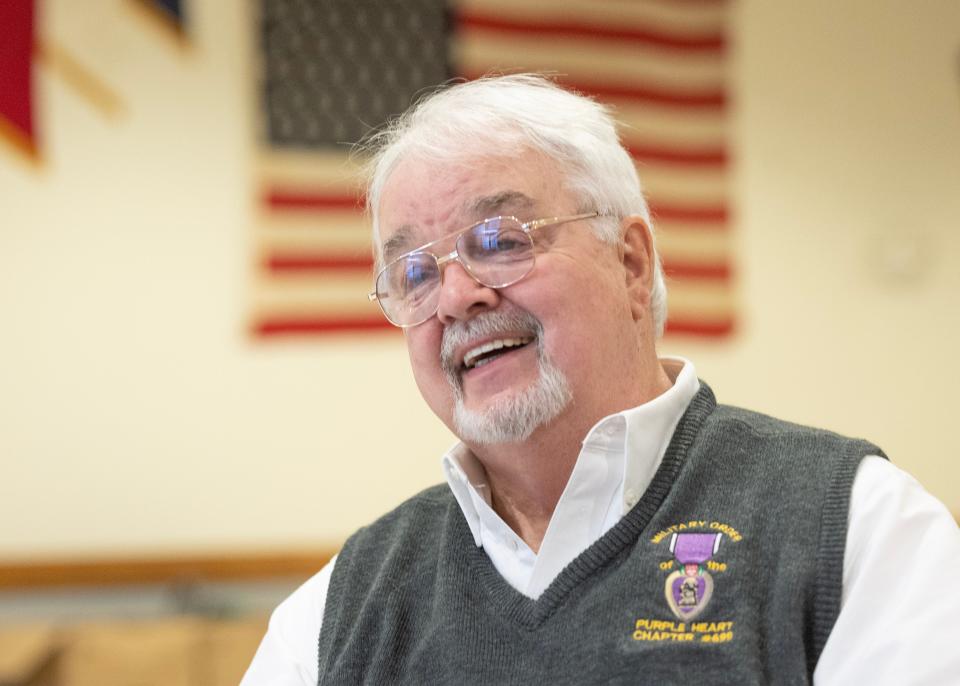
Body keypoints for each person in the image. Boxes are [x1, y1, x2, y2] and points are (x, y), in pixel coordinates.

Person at [242, 74, 960, 685]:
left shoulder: (857, 528)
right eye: (416, 273)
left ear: (631, 264)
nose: (457, 297)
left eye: (498, 241)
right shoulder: (345, 603)